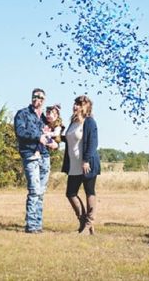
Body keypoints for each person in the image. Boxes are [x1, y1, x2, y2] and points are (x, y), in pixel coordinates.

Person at [14, 88, 57, 234]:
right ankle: (31, 226)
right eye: (34, 96)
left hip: (44, 156)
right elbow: (20, 132)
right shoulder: (23, 114)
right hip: (31, 155)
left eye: (40, 97)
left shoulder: (45, 118)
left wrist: (54, 142)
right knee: (34, 190)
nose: (36, 98)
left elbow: (50, 133)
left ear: (44, 100)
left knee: (41, 192)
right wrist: (37, 136)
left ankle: (38, 224)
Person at [61, 95, 100, 235]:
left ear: (85, 106)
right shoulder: (73, 122)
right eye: (75, 104)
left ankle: (89, 223)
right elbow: (70, 140)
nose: (75, 106)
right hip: (73, 164)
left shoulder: (89, 122)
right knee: (70, 193)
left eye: (78, 104)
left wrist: (86, 160)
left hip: (87, 163)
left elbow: (93, 143)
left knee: (89, 191)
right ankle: (83, 223)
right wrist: (56, 135)